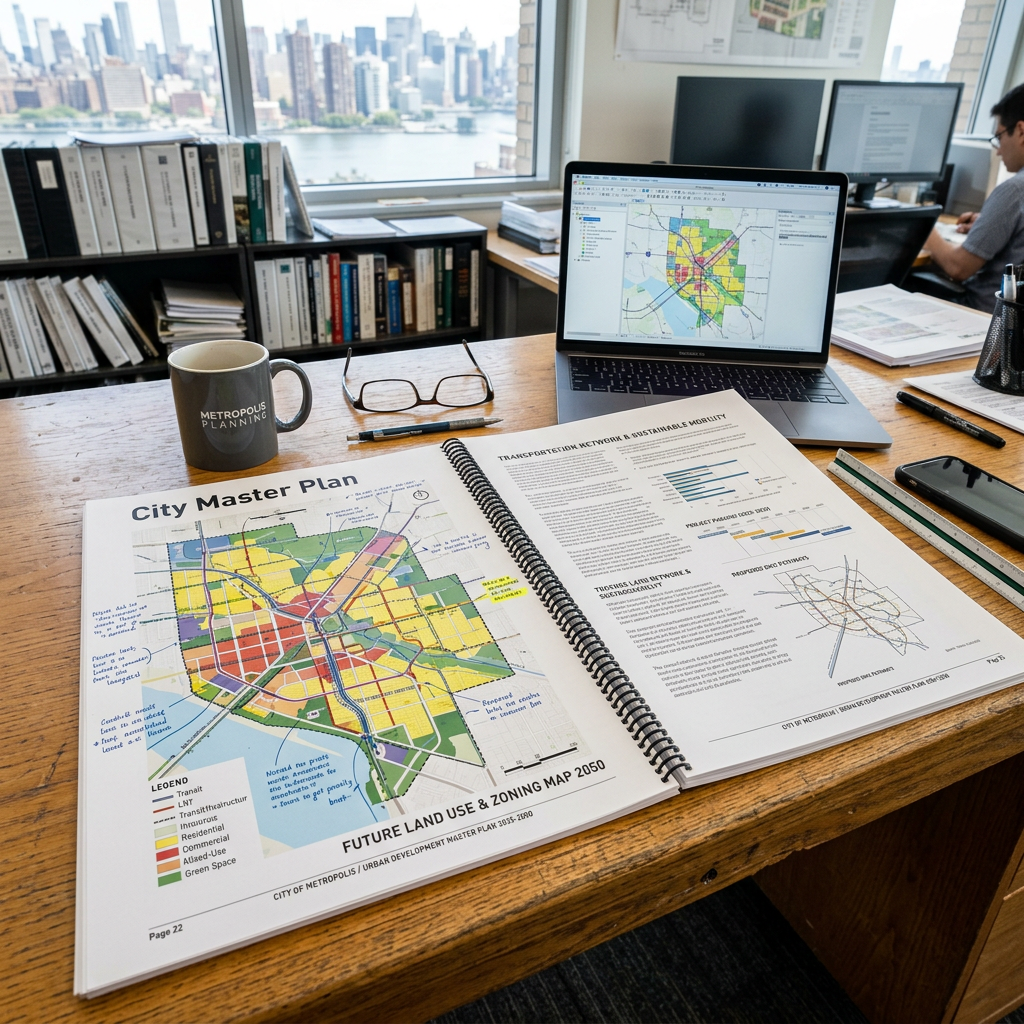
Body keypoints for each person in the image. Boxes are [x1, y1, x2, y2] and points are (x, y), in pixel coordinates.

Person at [925, 83, 1024, 312]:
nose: (998, 150)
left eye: (999, 136)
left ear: (1021, 131)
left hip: (984, 317)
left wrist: (925, 229)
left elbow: (958, 268)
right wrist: (987, 222)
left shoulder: (1014, 191)